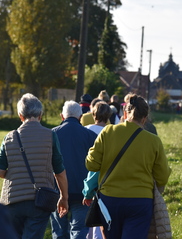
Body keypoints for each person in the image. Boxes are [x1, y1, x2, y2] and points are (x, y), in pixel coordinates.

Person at [86, 93, 172, 239]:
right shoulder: (154, 141)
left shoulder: (107, 132)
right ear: (144, 118)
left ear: (125, 113)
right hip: (140, 201)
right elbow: (162, 177)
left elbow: (91, 164)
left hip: (110, 200)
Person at [0, 93, 69, 239]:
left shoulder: (9, 137)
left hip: (12, 201)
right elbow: (59, 171)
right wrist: (64, 197)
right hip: (40, 201)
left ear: (20, 115)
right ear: (40, 114)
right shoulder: (50, 135)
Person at [51, 100, 98, 239]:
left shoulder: (52, 135)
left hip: (57, 191)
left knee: (59, 232)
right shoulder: (90, 136)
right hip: (82, 191)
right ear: (80, 117)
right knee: (79, 231)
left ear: (62, 116)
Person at [83, 101, 113, 239]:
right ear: (108, 116)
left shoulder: (85, 130)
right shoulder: (112, 133)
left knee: (87, 219)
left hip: (87, 176)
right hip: (106, 180)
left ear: (93, 114)